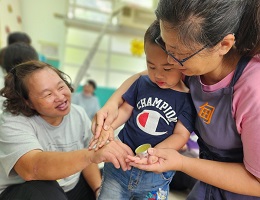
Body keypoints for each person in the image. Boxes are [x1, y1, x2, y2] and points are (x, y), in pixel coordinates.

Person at [92, 0, 260, 199]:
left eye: (178, 54)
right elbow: (143, 77)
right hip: (206, 186)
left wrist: (182, 163)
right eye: (167, 49)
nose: (170, 62)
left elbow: (256, 183)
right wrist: (112, 102)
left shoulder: (253, 90)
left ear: (223, 45)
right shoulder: (191, 67)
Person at [90, 20, 196, 200]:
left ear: (181, 65)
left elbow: (180, 135)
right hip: (119, 166)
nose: (158, 74)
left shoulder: (187, 99)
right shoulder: (142, 83)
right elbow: (125, 111)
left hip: (155, 174)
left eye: (167, 68)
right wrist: (109, 128)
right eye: (151, 66)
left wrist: (155, 153)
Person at [0, 60, 133, 200]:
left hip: (70, 187)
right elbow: (32, 168)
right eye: (48, 94)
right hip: (25, 191)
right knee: (44, 189)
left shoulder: (78, 113)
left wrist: (98, 190)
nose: (60, 97)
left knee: (115, 184)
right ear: (27, 102)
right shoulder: (12, 121)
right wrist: (91, 155)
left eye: (61, 87)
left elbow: (87, 159)